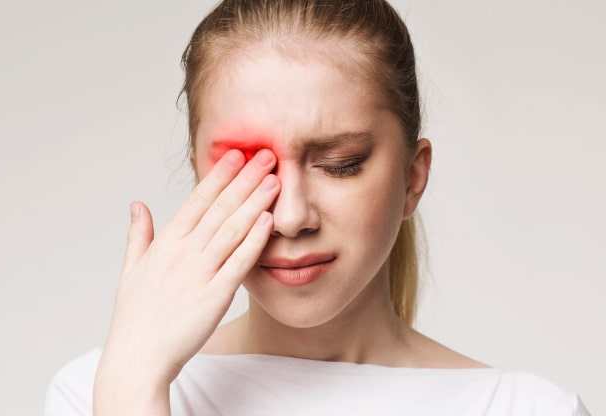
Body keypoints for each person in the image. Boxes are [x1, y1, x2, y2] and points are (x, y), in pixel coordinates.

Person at [45, 0, 591, 415]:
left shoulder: (524, 408)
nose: (290, 217)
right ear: (200, 177)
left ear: (412, 178)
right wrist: (132, 387)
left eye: (340, 163)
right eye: (250, 168)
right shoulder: (97, 389)